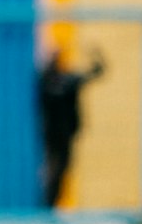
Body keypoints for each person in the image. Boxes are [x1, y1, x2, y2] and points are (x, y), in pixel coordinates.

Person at [38, 48, 107, 209]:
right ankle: (47, 202)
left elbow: (97, 72)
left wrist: (96, 55)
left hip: (65, 132)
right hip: (51, 133)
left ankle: (51, 203)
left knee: (62, 168)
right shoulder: (46, 81)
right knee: (53, 167)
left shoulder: (67, 79)